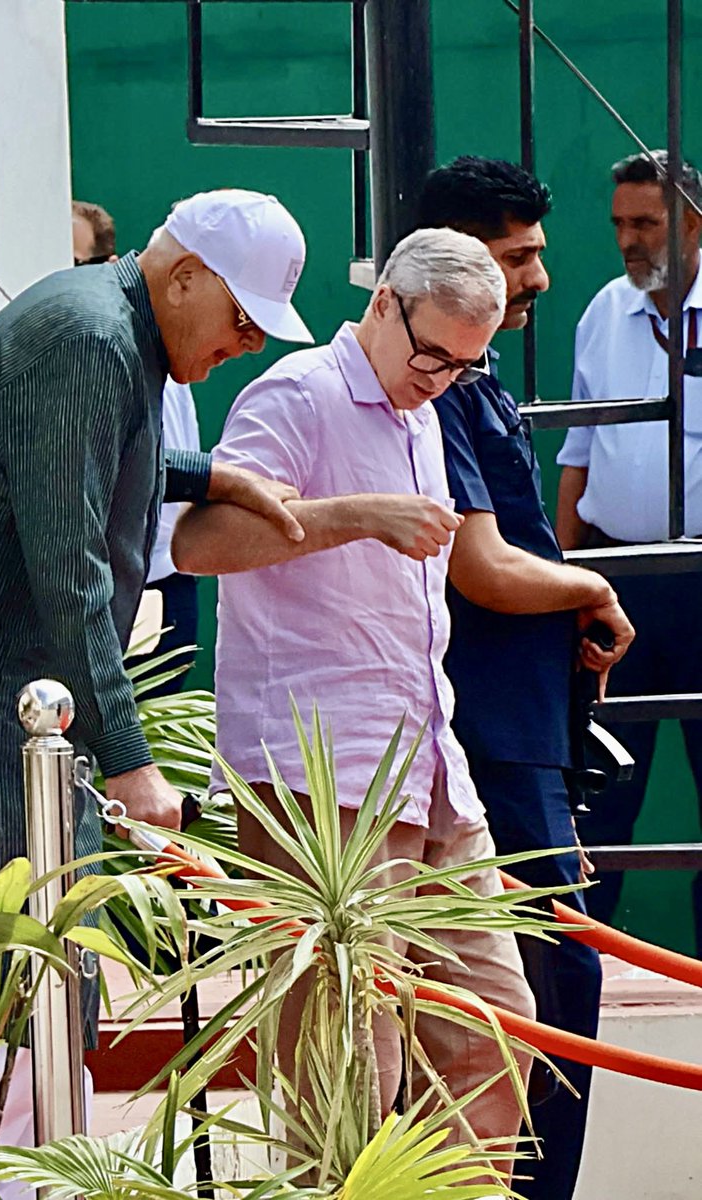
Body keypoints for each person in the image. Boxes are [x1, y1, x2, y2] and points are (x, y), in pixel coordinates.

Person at [0, 188, 313, 1166]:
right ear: (185, 277)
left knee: (32, 977)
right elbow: (70, 562)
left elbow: (84, 463)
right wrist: (131, 762)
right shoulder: (90, 338)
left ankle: (28, 1179)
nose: (249, 346)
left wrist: (209, 474)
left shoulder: (107, 326)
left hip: (15, 709)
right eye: (243, 321)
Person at [174, 227, 535, 1189]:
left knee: (493, 1038)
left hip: (427, 764)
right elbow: (199, 542)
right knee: (346, 1079)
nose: (442, 379)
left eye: (466, 364)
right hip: (317, 779)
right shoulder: (299, 394)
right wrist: (358, 515)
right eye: (431, 354)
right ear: (383, 304)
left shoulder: (426, 404)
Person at [419, 155, 634, 1200]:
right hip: (488, 728)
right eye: (517, 257)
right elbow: (482, 567)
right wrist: (588, 583)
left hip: (520, 719)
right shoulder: (440, 389)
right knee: (550, 971)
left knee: (546, 971)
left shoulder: (473, 376)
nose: (536, 277)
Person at [555, 150, 702, 951]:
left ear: (692, 223)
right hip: (616, 580)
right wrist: (563, 576)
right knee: (602, 791)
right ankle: (583, 967)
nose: (627, 240)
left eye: (645, 223)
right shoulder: (605, 310)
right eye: (619, 223)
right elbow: (577, 452)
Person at [73, 200, 201, 696]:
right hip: (93, 588)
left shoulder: (139, 346)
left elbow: (155, 469)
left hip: (153, 586)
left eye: (74, 264)